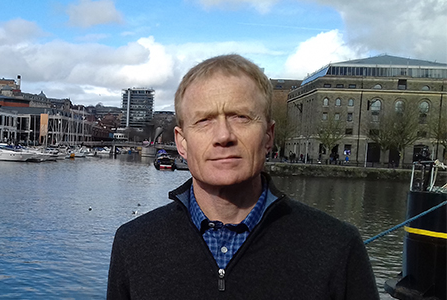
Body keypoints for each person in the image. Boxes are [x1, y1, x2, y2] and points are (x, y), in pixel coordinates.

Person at [107, 54, 378, 299]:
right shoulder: (134, 245)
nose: (224, 136)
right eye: (204, 121)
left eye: (240, 117)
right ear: (182, 143)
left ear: (269, 136)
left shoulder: (337, 247)